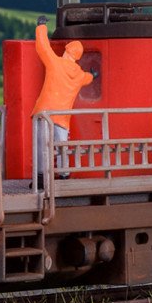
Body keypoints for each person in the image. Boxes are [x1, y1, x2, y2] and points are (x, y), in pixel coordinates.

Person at [31, 16, 93, 180]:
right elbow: (88, 77)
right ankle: (64, 174)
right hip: (62, 117)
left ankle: (41, 178)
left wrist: (41, 26)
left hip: (44, 112)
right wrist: (93, 75)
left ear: (67, 50)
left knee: (41, 146)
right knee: (62, 146)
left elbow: (42, 47)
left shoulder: (55, 63)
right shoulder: (79, 75)